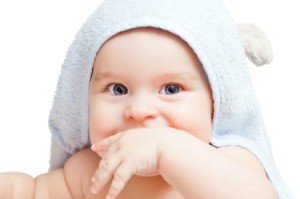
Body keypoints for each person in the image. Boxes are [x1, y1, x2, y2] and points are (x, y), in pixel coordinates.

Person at [0, 0, 292, 198]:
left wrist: (167, 150)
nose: (139, 111)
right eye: (118, 89)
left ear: (216, 100)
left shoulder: (226, 161)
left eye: (171, 89)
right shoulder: (91, 170)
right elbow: (33, 192)